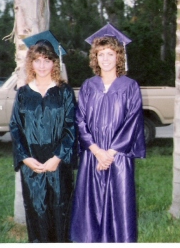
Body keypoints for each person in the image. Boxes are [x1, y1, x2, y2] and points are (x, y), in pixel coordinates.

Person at [70, 27, 146, 243]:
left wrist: (109, 153)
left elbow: (133, 122)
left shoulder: (130, 86)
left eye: (110, 54)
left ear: (118, 56)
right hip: (92, 155)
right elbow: (80, 120)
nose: (105, 59)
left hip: (118, 156)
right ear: (95, 57)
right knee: (90, 204)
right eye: (100, 54)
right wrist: (95, 150)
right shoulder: (88, 86)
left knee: (119, 203)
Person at [9, 31, 76, 243]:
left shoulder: (64, 92)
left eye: (47, 60)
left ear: (54, 62)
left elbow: (71, 126)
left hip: (58, 164)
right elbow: (15, 128)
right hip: (33, 165)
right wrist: (25, 158)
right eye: (37, 60)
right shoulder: (23, 93)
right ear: (31, 62)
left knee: (61, 212)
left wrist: (57, 158)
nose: (42, 65)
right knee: (37, 213)